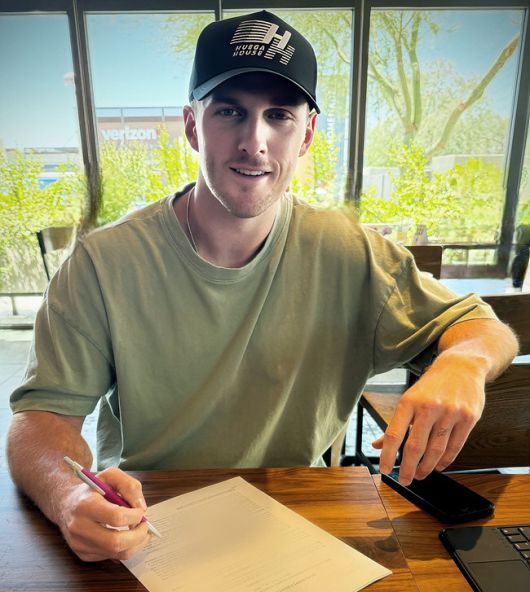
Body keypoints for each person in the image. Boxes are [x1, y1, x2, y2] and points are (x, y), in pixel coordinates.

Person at [7, 11, 518, 562]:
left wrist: (463, 363)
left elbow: (482, 328)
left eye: (279, 115)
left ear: (307, 134)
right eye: (230, 112)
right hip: (145, 524)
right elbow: (41, 420)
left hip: (298, 518)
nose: (255, 142)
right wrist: (71, 498)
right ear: (192, 126)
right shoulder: (102, 263)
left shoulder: (350, 252)